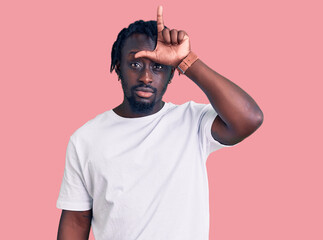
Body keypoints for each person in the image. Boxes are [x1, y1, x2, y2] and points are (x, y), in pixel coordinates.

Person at [56, 6, 263, 240]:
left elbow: (249, 118)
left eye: (158, 66)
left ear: (171, 73)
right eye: (135, 64)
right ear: (117, 67)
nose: (146, 77)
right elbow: (76, 220)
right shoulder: (85, 139)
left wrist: (187, 60)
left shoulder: (192, 121)